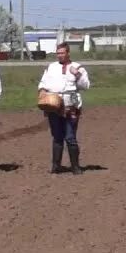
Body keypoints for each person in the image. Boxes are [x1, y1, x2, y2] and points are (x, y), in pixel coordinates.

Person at [37, 42, 91, 174]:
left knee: (70, 136)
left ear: (68, 53)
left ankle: (75, 166)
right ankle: (56, 166)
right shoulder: (51, 67)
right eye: (58, 53)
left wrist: (77, 75)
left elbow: (86, 86)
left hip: (70, 105)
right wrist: (42, 91)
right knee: (57, 136)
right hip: (53, 104)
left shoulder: (78, 67)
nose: (59, 55)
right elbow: (43, 83)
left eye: (62, 53)